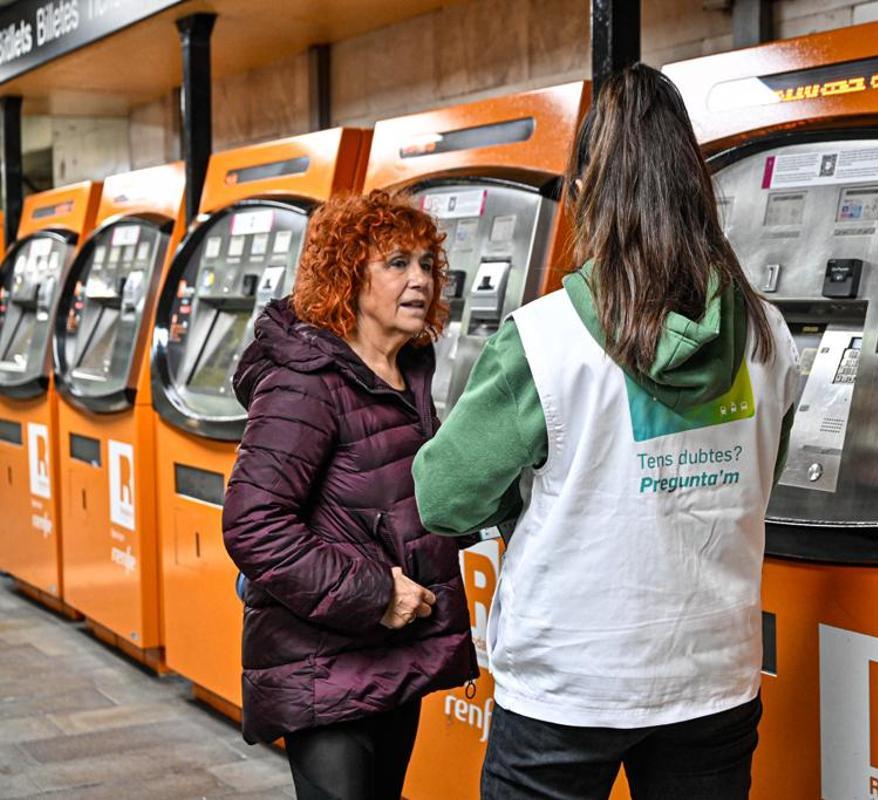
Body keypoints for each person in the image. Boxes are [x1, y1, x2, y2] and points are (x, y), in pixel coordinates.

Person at [413, 63, 800, 800]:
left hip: (568, 679)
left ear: (588, 195)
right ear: (697, 193)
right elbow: (761, 479)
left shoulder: (543, 338)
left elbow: (443, 495)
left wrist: (523, 498)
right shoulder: (768, 335)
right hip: (712, 673)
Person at [222, 190, 478, 800]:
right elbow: (253, 524)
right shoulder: (305, 382)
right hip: (323, 660)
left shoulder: (404, 371)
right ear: (347, 275)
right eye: (396, 263)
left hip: (391, 651)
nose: (420, 280)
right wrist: (376, 593)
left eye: (427, 264)